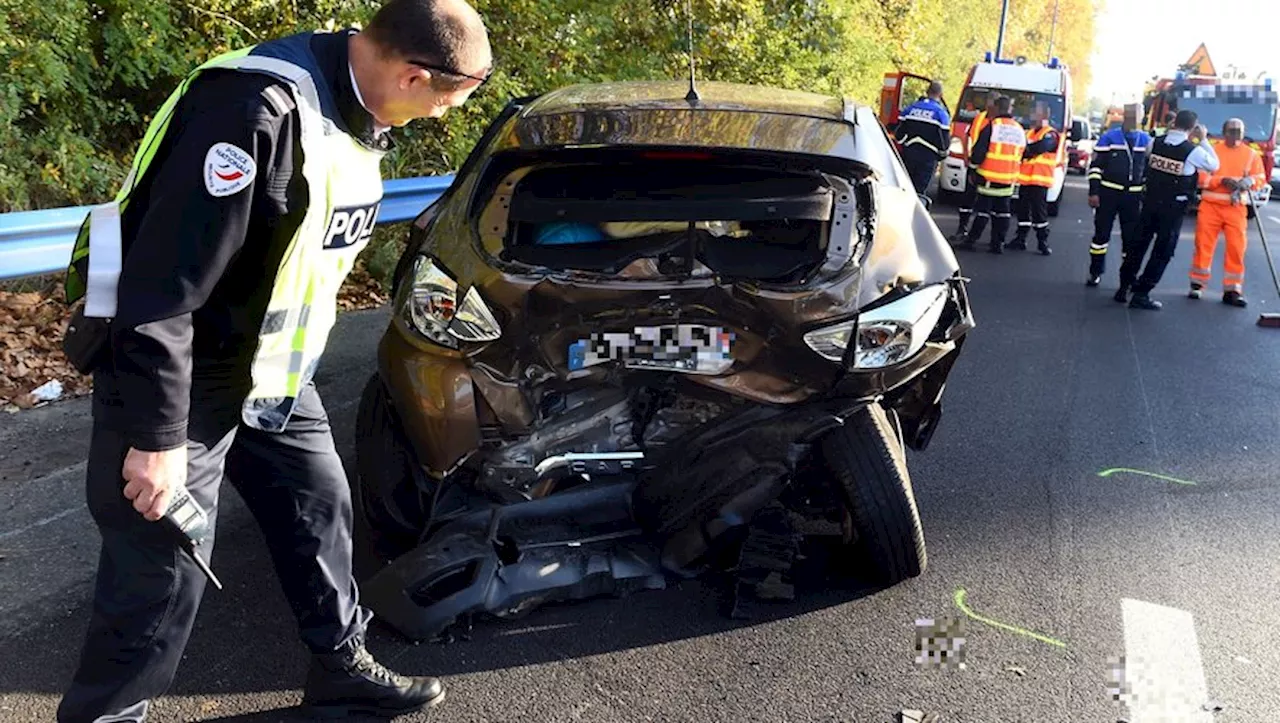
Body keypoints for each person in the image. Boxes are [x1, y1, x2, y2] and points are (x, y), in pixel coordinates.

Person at [55, 1, 492, 721]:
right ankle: (107, 715)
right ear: (414, 75)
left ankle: (339, 667)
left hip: (271, 373)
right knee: (160, 574)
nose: (442, 115)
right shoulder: (252, 111)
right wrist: (158, 439)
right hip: (184, 380)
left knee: (319, 508)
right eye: (446, 100)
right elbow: (160, 289)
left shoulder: (356, 109)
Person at [1115, 110, 1219, 310]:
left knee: (1138, 246)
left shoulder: (1155, 142)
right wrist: (1204, 139)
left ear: (1174, 123)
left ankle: (1123, 287)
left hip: (1150, 202)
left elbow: (1147, 157)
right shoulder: (1193, 151)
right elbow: (1215, 165)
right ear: (1191, 127)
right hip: (1172, 208)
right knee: (1163, 251)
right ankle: (1142, 293)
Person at [1189, 117, 1267, 306]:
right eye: (1231, 131)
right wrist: (1221, 181)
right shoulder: (1213, 151)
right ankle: (1197, 284)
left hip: (1236, 208)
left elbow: (1260, 178)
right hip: (1211, 206)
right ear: (1224, 133)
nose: (1235, 135)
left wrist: (1248, 182)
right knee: (1203, 245)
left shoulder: (1251, 154)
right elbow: (1200, 178)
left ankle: (1232, 290)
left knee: (1236, 249)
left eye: (1238, 131)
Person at [1086, 103, 1151, 286]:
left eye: (1137, 116)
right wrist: (1094, 192)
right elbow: (1096, 167)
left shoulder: (1146, 141)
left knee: (1130, 240)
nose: (1134, 120)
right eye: (1131, 116)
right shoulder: (1109, 138)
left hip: (1133, 198)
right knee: (1101, 237)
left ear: (1142, 118)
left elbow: (1149, 171)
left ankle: (1127, 278)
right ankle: (1095, 271)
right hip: (1108, 194)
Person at [955, 95, 1026, 254]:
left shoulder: (993, 126)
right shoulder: (1019, 129)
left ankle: (971, 240)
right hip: (1008, 179)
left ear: (997, 108)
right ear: (1009, 109)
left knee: (983, 211)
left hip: (989, 177)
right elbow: (1023, 152)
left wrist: (973, 169)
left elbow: (979, 152)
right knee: (1003, 212)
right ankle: (998, 243)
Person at [1007, 101, 1060, 255]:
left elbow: (1038, 149)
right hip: (1025, 179)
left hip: (1039, 181)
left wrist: (1025, 150)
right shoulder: (1029, 133)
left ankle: (1042, 242)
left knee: (1039, 213)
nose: (1032, 116)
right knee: (1022, 211)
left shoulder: (1050, 134)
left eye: (1035, 113)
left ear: (1044, 115)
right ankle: (1020, 239)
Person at [951, 94, 999, 242]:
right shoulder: (979, 118)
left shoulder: (1000, 123)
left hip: (992, 168)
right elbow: (968, 137)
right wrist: (966, 156)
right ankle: (963, 228)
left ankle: (993, 238)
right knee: (968, 198)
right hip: (976, 164)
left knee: (990, 203)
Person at [894, 81, 952, 201]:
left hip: (909, 154)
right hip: (928, 157)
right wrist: (941, 155)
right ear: (941, 94)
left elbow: (898, 135)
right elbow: (944, 142)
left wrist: (906, 144)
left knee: (905, 187)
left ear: (927, 92)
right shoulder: (940, 113)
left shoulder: (910, 108)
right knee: (919, 191)